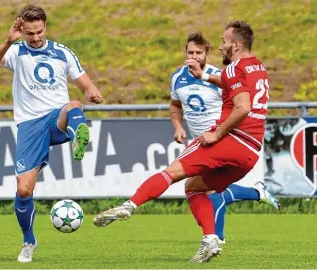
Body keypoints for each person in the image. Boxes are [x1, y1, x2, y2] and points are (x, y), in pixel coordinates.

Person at [93, 20, 269, 263]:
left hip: (229, 139)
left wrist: (217, 134)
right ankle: (210, 241)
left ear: (236, 45)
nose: (221, 47)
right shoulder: (257, 67)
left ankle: (129, 206)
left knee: (171, 173)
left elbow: (242, 107)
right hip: (250, 151)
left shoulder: (232, 68)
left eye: (224, 42)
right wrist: (205, 76)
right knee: (195, 188)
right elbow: (234, 87)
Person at [0, 4, 103, 263]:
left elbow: (83, 80)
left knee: (74, 106)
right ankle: (29, 241)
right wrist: (7, 41)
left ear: (45, 26)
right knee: (24, 189)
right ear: (22, 30)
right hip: (29, 126)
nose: (35, 37)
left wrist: (92, 92)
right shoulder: (16, 51)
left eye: (39, 31)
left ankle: (76, 138)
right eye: (30, 33)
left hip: (55, 116)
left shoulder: (62, 53)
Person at [169, 32, 280, 244]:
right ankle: (255, 194)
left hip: (219, 135)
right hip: (198, 138)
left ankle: (215, 238)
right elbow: (174, 105)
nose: (194, 56)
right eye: (190, 52)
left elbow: (238, 102)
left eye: (199, 52)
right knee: (207, 190)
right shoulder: (177, 77)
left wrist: (219, 132)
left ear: (206, 54)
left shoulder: (221, 74)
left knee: (202, 189)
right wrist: (177, 126)